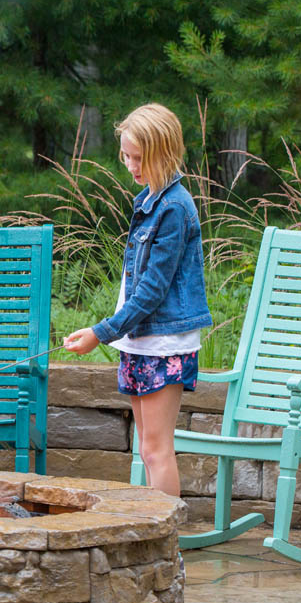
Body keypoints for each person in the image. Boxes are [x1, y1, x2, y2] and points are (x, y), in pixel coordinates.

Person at [63, 103, 211, 498]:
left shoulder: (175, 208)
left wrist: (101, 332)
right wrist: (109, 331)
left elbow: (152, 291)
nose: (131, 165)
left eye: (139, 158)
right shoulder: (149, 201)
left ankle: (167, 545)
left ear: (164, 153)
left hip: (164, 345)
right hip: (139, 340)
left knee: (157, 450)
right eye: (127, 156)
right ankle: (154, 540)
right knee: (147, 449)